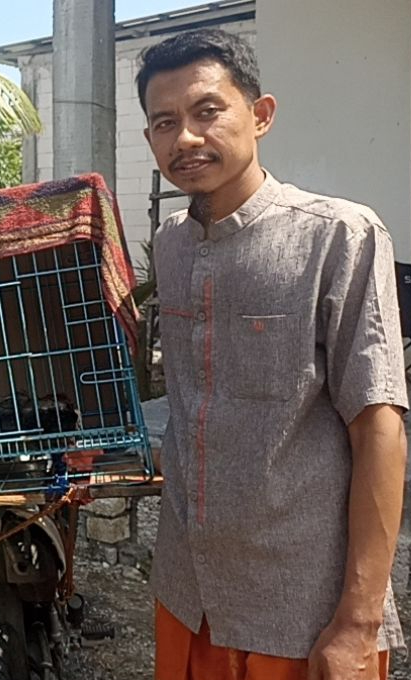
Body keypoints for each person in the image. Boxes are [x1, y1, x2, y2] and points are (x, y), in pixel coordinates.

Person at [137, 28, 408, 680]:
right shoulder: (171, 246)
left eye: (207, 112)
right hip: (187, 590)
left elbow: (380, 426)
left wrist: (358, 621)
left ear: (260, 116)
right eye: (164, 122)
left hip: (298, 606)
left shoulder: (339, 235)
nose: (186, 139)